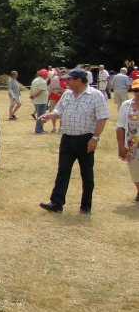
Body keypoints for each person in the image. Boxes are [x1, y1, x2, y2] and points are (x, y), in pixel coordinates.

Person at [38, 68, 109, 214]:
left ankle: (86, 207)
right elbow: (59, 111)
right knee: (63, 171)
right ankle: (56, 203)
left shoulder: (96, 96)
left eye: (69, 79)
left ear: (79, 80)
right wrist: (49, 116)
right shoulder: (68, 94)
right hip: (67, 139)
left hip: (85, 139)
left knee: (87, 174)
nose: (66, 81)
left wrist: (95, 138)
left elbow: (102, 117)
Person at [115, 79, 139, 203]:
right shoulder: (126, 105)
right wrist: (121, 146)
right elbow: (120, 126)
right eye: (135, 90)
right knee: (135, 170)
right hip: (132, 144)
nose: (137, 92)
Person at [47, 67, 67, 132]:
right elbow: (49, 89)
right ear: (58, 72)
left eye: (64, 72)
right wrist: (55, 92)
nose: (62, 73)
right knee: (53, 112)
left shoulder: (67, 80)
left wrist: (62, 91)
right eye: (61, 72)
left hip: (63, 99)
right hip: (53, 98)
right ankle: (53, 127)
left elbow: (69, 90)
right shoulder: (54, 79)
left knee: (63, 113)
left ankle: (61, 127)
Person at [30, 68, 49, 133]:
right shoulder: (43, 81)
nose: (47, 75)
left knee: (40, 115)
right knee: (41, 116)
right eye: (46, 74)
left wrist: (32, 96)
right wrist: (34, 96)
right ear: (44, 75)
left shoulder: (35, 80)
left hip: (36, 101)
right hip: (41, 101)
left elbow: (32, 89)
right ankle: (39, 130)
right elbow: (40, 91)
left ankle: (40, 129)